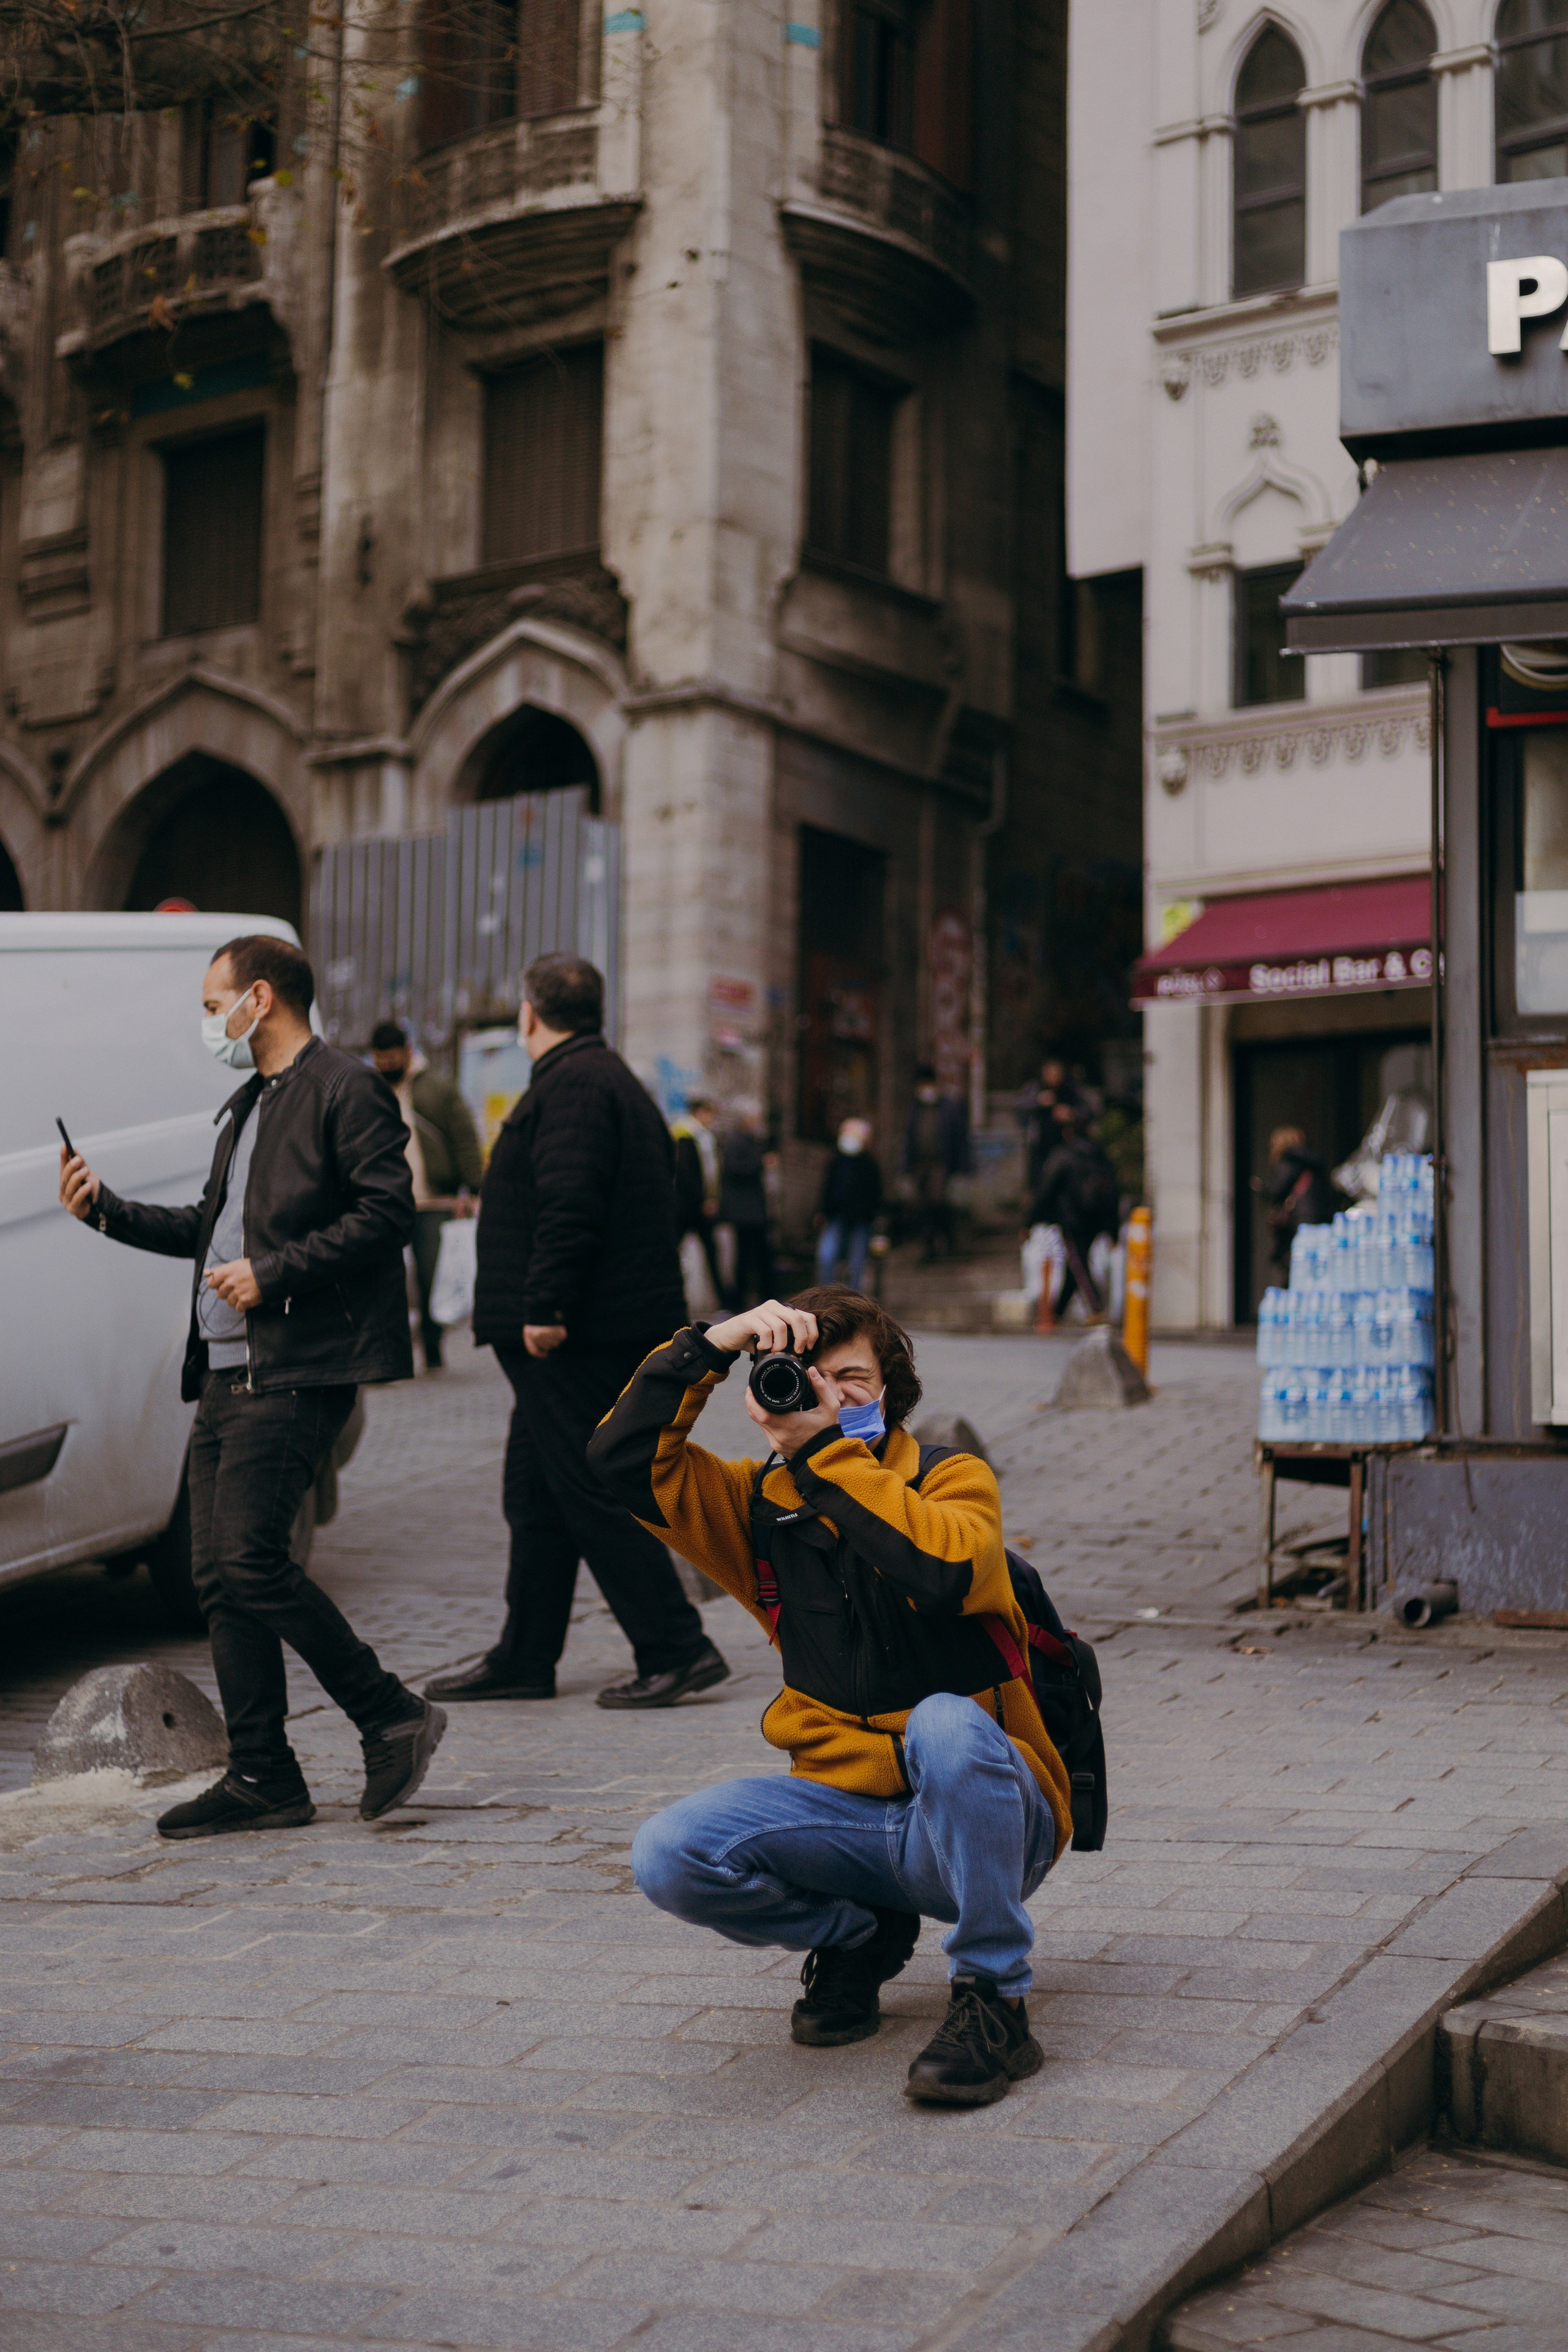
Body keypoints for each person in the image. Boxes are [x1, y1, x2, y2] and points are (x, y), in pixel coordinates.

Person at [587, 1287, 1071, 2106]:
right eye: (801, 1375)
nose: (826, 1395)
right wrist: (711, 1344)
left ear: (891, 1389)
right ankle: (860, 1937)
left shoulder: (954, 1478)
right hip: (853, 1826)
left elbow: (947, 1572)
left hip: (989, 1824)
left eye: (849, 1376)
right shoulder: (753, 1510)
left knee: (944, 1724)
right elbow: (620, 1461)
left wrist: (820, 1454)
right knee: (667, 1853)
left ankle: (994, 1995)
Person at [58, 935, 444, 1839]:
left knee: (252, 1561)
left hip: (301, 1366)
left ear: (258, 998)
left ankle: (389, 1711)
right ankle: (266, 1774)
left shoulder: (347, 1088)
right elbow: (210, 1229)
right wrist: (106, 1210)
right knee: (217, 1578)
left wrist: (275, 1273)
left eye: (211, 1004)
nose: (208, 1022)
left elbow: (388, 1213)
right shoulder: (249, 1104)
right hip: (228, 1369)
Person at [425, 953, 729, 1711]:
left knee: (590, 1483)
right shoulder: (603, 1079)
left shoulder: (575, 1086)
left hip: (574, 1332)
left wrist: (544, 1307)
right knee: (534, 1493)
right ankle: (525, 1655)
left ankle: (675, 1646)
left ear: (530, 1014)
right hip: (590, 1326)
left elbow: (570, 1203)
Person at [369, 1020, 483, 1372]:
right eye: (381, 1060)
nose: (387, 1066)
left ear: (407, 1052)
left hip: (434, 1202)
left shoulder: (436, 1088)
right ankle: (394, 1355)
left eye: (393, 1058)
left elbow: (463, 1136)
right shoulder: (371, 1091)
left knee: (431, 1277)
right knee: (386, 1282)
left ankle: (433, 1349)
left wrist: (473, 1188)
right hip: (387, 1203)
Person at [1030, 1110, 1121, 1322]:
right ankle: (1057, 1312)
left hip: (1073, 1220)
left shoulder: (1063, 1156)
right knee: (1075, 1263)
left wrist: (1031, 1221)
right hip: (1097, 1219)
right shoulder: (1099, 1155)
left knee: (1078, 1262)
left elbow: (1045, 1191)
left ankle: (1095, 1308)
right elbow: (1113, 1192)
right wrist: (1113, 1228)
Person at [1255, 1125, 1341, 1276]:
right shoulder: (1313, 1161)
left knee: (1296, 1263)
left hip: (1299, 1218)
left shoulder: (1289, 1160)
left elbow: (1277, 1189)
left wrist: (1261, 1188)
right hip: (1320, 1217)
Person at [902, 1066, 968, 1262]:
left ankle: (948, 1242)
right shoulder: (915, 1109)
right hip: (920, 1165)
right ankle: (929, 1247)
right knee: (922, 1208)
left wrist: (962, 1167)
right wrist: (905, 1166)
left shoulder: (948, 1108)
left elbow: (959, 1139)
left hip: (940, 1164)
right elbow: (909, 1139)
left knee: (938, 1203)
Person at [716, 1101, 775, 1311]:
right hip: (745, 1213)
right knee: (746, 1259)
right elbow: (735, 1169)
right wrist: (762, 1163)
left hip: (753, 1213)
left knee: (758, 1257)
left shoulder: (750, 1141)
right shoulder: (736, 1142)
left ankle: (761, 1297)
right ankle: (740, 1301)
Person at [815, 1117, 881, 1292]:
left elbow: (875, 1194)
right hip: (836, 1216)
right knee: (827, 1257)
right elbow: (827, 1188)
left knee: (857, 1264)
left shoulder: (870, 1164)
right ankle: (826, 1297)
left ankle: (853, 1304)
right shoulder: (836, 1161)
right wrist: (822, 1211)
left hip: (861, 1220)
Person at [671, 1094, 724, 1313]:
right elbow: (688, 1175)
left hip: (692, 1205)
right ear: (700, 1112)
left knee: (708, 1251)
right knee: (680, 1251)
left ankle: (723, 1299)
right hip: (688, 1207)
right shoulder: (686, 1134)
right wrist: (703, 1200)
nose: (712, 1118)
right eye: (710, 1113)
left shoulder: (701, 1136)